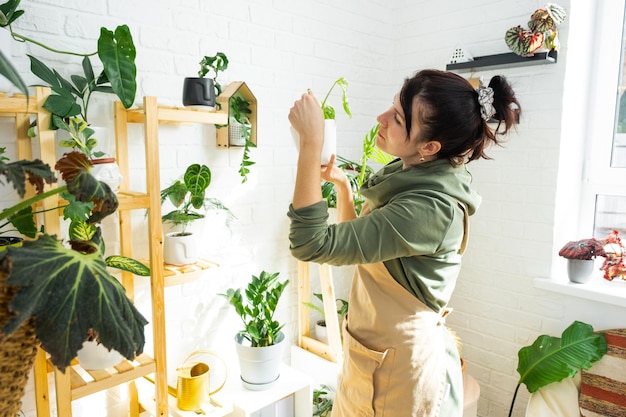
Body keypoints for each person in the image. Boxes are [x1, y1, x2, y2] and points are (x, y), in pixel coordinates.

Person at [287, 69, 520, 417]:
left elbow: (310, 244)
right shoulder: (411, 178)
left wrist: (310, 143)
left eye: (397, 117)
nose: (381, 119)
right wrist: (343, 189)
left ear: (429, 147)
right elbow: (364, 253)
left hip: (400, 376)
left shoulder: (429, 208)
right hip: (373, 356)